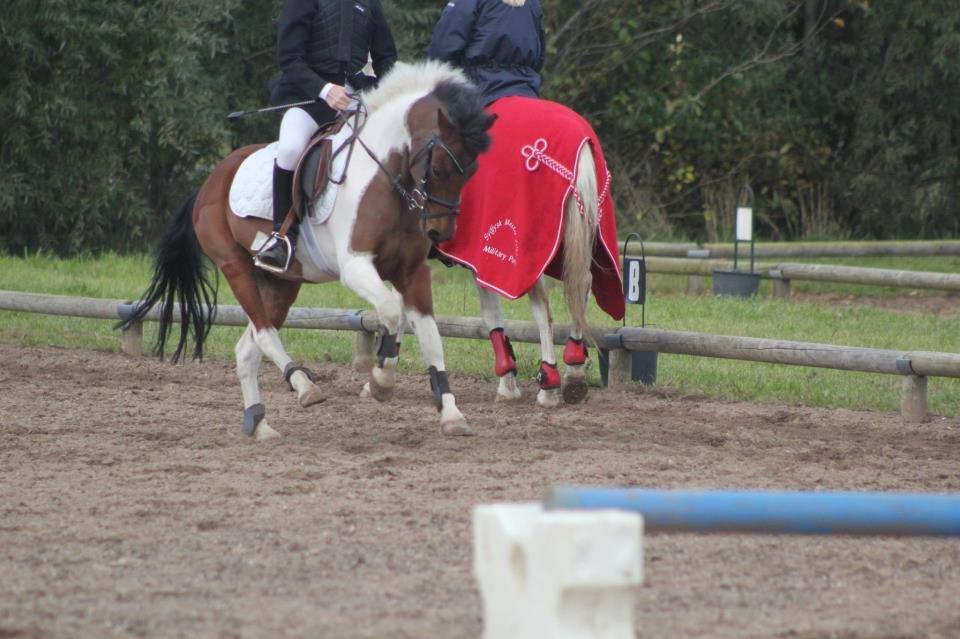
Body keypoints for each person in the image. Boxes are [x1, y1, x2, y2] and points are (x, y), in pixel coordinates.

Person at [255, 0, 398, 274]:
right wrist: (324, 89)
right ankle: (282, 236)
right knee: (290, 149)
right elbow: (289, 58)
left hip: (355, 101)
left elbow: (386, 58)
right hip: (309, 101)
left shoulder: (369, 4)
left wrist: (383, 92)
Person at [427, 0, 545, 106]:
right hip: (526, 90)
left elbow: (442, 49)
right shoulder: (533, 3)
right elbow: (539, 56)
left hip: (480, 91)